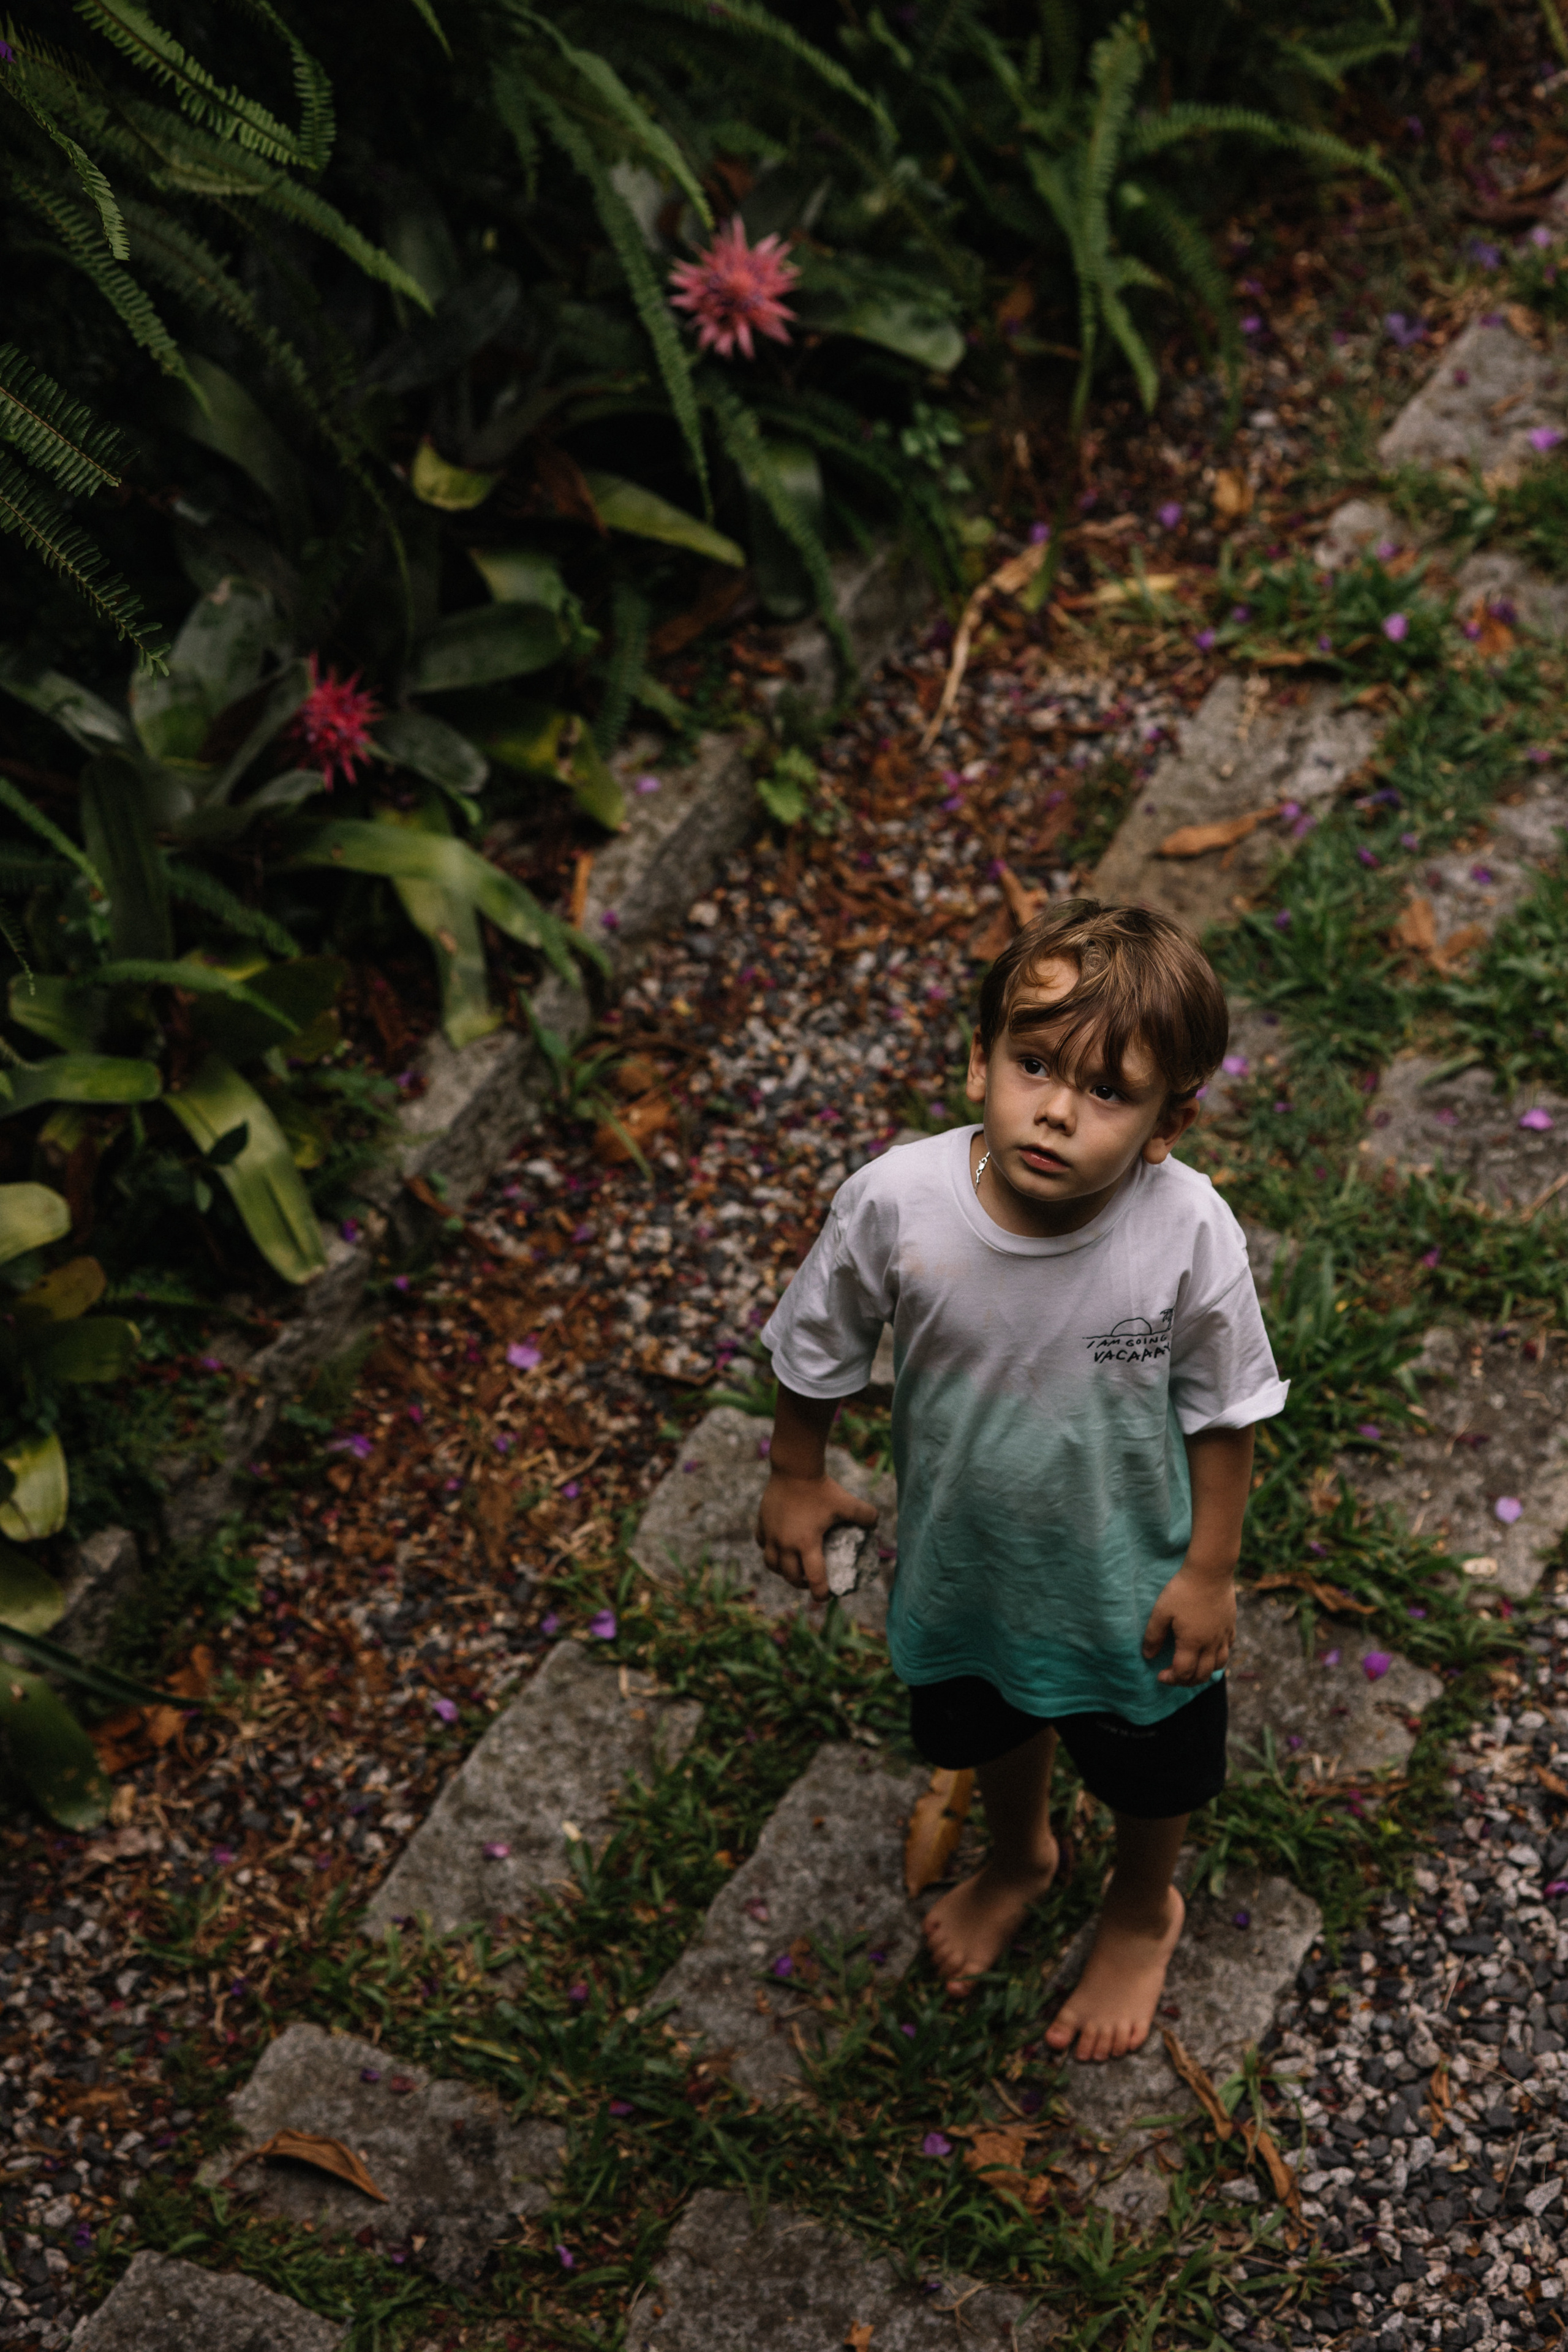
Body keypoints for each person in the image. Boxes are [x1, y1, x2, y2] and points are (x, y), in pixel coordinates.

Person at [754, 899, 1287, 2063]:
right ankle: (1023, 1852)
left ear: (1167, 1121)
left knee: (1152, 1762)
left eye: (1108, 1091)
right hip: (971, 1564)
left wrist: (1209, 1568)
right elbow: (817, 1346)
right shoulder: (899, 1203)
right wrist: (796, 1473)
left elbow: (1228, 1407)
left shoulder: (1187, 1229)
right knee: (993, 1711)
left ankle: (1144, 1907)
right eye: (1032, 1063)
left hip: (1129, 1579)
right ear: (978, 1058)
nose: (1055, 1108)